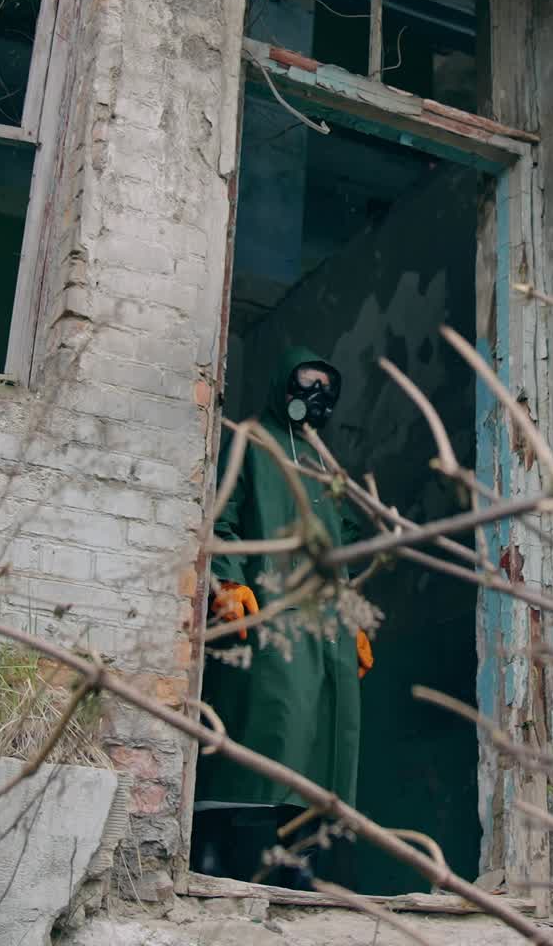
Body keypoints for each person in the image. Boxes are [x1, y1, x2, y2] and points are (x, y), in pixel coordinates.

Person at [193, 345, 373, 884]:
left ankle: (302, 865)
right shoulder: (252, 442)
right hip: (270, 617)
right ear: (282, 385)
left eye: (326, 388)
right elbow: (221, 517)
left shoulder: (325, 468)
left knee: (329, 739)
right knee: (275, 726)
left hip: (326, 629)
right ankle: (225, 857)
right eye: (306, 382)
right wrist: (226, 578)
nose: (315, 396)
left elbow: (343, 547)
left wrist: (356, 622)